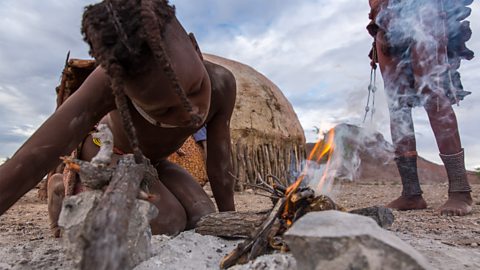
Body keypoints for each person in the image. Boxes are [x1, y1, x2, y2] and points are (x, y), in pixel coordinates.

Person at [0, 0, 236, 236]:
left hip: (155, 163)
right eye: (164, 112)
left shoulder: (222, 84)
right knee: (169, 221)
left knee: (204, 218)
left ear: (195, 47)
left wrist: (232, 223)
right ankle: (70, 201)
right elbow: (32, 158)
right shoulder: (108, 83)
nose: (191, 114)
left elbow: (220, 163)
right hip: (109, 154)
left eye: (196, 89)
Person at [367, 0, 474, 215]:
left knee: (433, 94)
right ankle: (411, 193)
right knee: (397, 105)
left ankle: (461, 192)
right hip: (383, 18)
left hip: (422, 9)